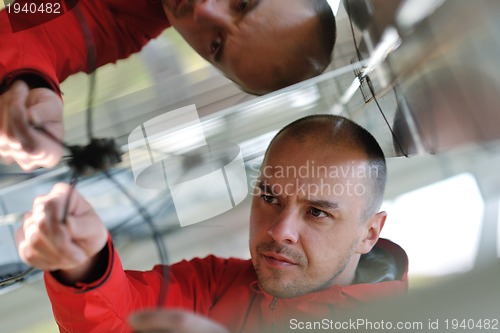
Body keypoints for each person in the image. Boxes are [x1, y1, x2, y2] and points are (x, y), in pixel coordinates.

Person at [16, 114, 408, 333]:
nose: (278, 231)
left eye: (318, 212)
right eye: (270, 198)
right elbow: (121, 317)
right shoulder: (218, 284)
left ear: (368, 233)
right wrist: (84, 260)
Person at [0, 0, 336, 170]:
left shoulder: (124, 20)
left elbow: (39, 31)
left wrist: (30, 88)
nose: (203, 10)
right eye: (243, 2)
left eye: (216, 44)